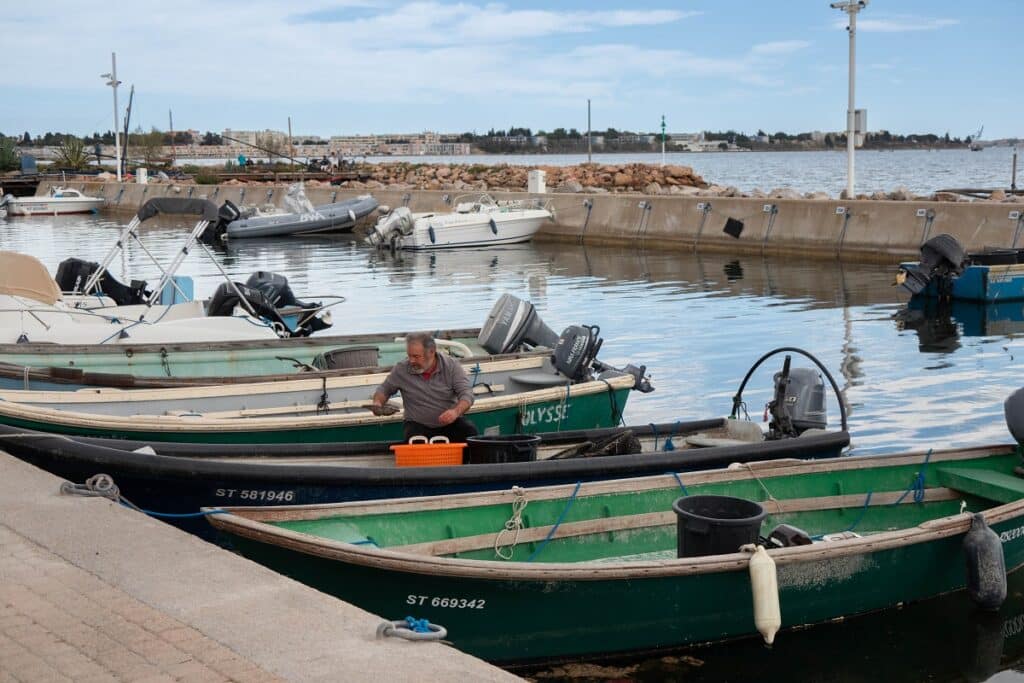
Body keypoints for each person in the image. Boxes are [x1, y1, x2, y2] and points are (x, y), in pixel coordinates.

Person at [370, 332, 478, 443]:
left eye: (416, 356)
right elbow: (384, 389)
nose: (411, 361)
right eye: (409, 355)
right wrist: (377, 403)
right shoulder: (401, 369)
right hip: (417, 425)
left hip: (450, 423)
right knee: (415, 439)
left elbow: (467, 394)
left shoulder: (451, 366)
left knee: (469, 431)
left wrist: (455, 412)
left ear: (431, 352)